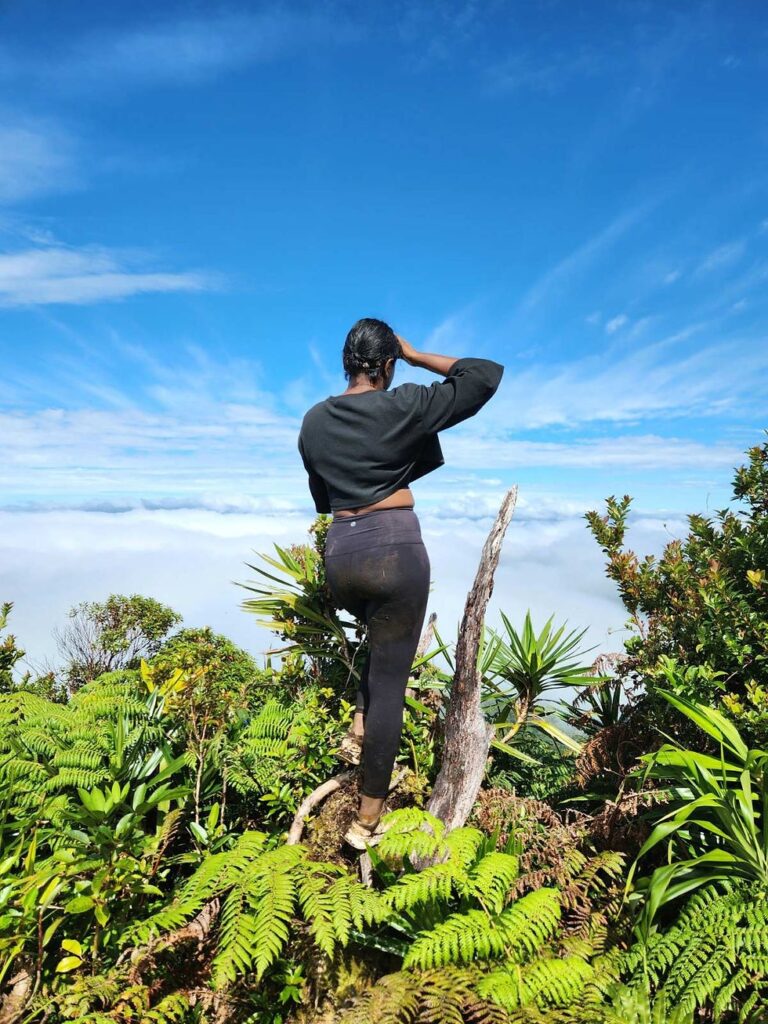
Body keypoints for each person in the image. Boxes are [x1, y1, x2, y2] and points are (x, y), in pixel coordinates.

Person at [297, 318, 504, 849]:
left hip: (341, 553)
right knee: (392, 679)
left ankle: (359, 725)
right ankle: (366, 822)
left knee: (377, 641)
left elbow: (325, 498)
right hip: (394, 548)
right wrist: (415, 357)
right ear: (386, 365)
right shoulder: (404, 402)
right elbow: (481, 377)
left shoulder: (314, 421)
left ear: (346, 363)